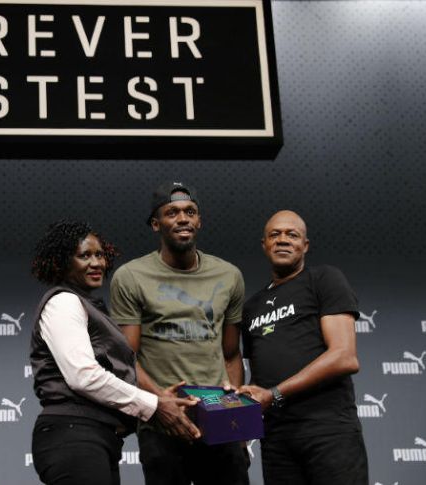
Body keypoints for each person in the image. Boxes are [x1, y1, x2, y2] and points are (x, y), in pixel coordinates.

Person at [29, 220, 201, 485]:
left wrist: (154, 397)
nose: (96, 263)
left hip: (96, 438)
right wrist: (153, 405)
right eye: (84, 255)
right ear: (62, 261)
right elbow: (83, 376)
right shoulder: (63, 302)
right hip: (73, 437)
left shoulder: (89, 305)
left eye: (99, 255)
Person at [109, 181, 251, 485]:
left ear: (199, 220)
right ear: (155, 224)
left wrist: (236, 421)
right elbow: (126, 358)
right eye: (172, 212)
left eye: (190, 211)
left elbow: (231, 354)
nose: (183, 218)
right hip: (163, 420)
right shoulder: (131, 276)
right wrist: (162, 402)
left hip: (218, 417)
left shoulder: (229, 275)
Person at [238, 210, 369, 485]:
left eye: (292, 234)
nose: (283, 240)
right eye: (275, 234)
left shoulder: (324, 280)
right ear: (264, 244)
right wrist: (241, 424)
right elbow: (259, 379)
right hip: (276, 438)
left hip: (328, 432)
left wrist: (273, 395)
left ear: (305, 245)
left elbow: (344, 357)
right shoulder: (252, 307)